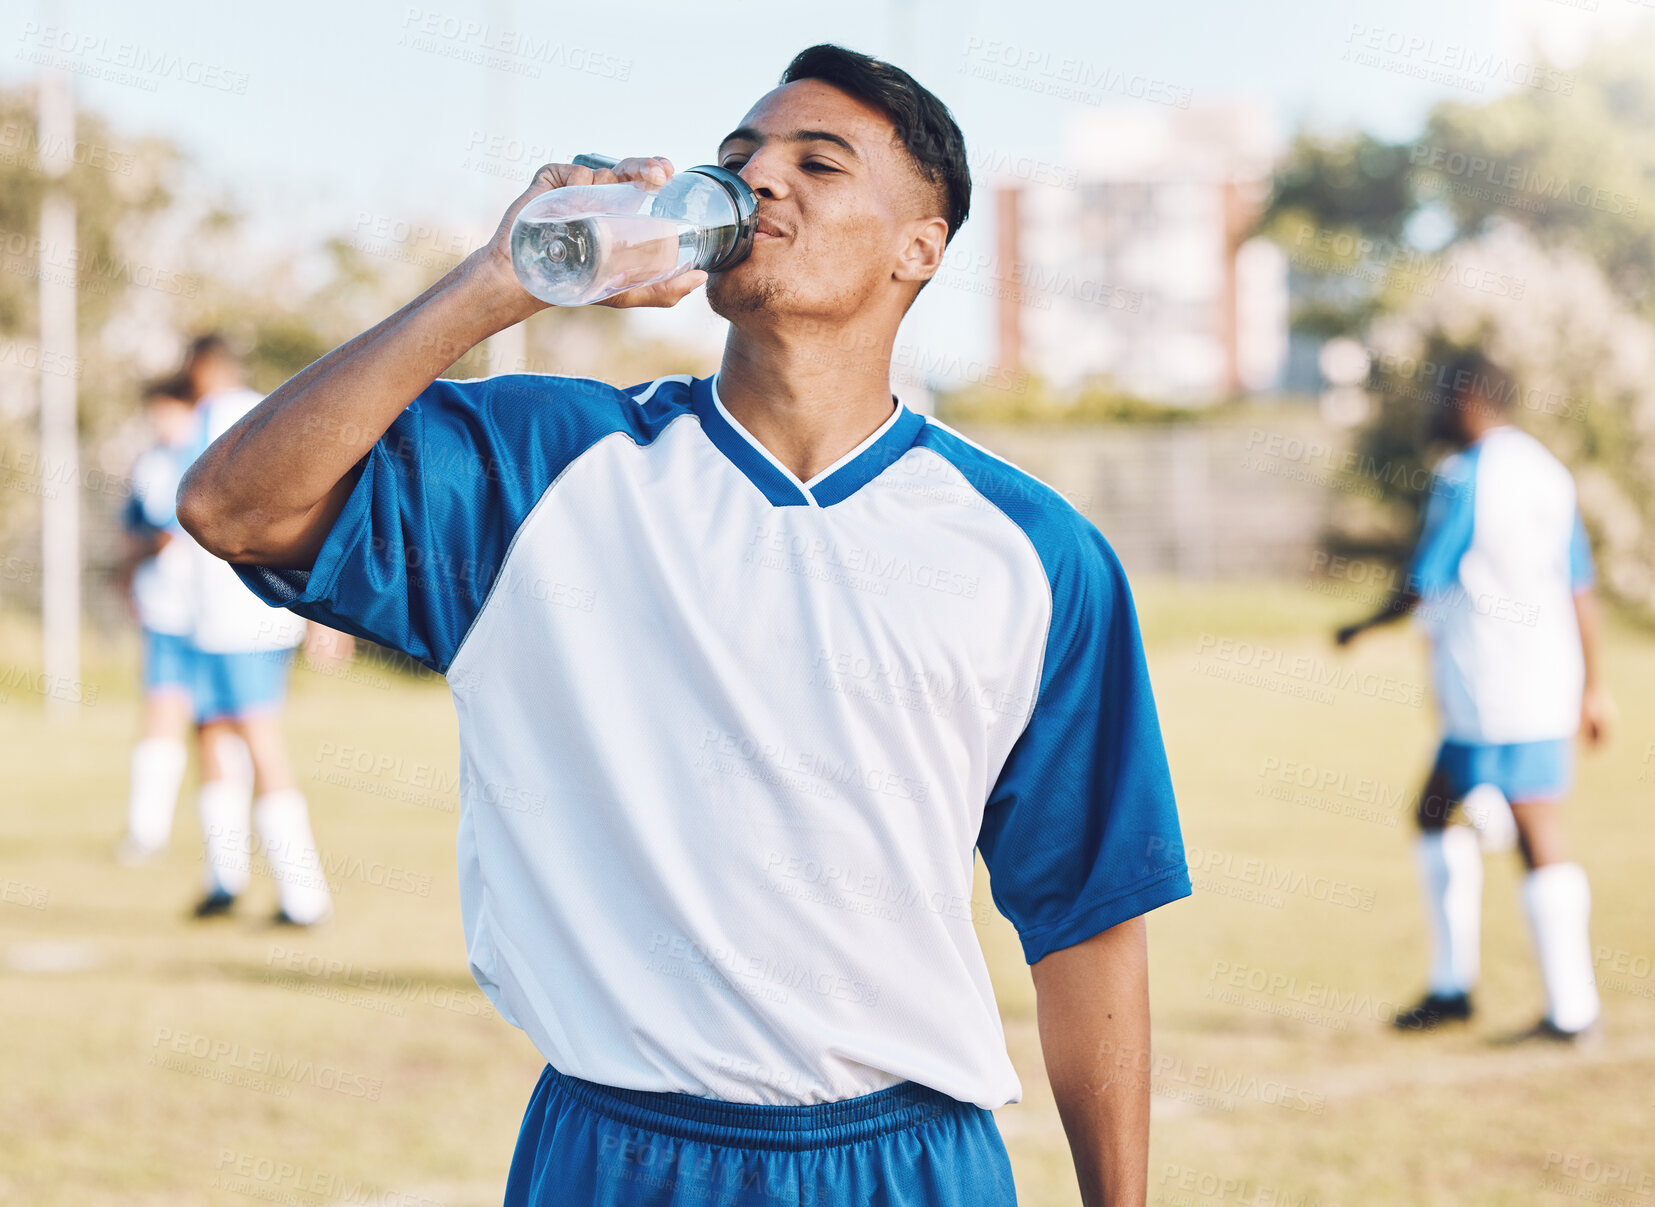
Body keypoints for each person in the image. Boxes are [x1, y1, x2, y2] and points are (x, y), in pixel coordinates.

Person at [178, 45, 1191, 1205]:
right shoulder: (539, 467)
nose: (761, 179)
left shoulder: (1034, 553)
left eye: (818, 160)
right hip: (615, 1152)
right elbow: (233, 506)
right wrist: (498, 281)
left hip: (910, 1162)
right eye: (738, 158)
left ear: (921, 245)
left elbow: (1089, 916)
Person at [1336, 351, 1610, 1042]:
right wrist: (1595, 683)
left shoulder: (1470, 476)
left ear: (1468, 398)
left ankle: (1569, 1008)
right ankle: (1452, 985)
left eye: (1440, 395)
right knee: (1433, 810)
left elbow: (1424, 577)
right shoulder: (1546, 470)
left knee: (1532, 825)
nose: (1433, 408)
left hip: (1495, 682)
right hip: (1534, 677)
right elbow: (1579, 582)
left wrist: (1360, 625)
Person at [181, 334, 333, 927]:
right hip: (231, 614)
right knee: (212, 732)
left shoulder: (221, 419)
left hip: (238, 616)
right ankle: (224, 879)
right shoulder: (267, 410)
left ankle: (304, 894)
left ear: (203, 368)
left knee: (257, 739)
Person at [115, 376, 225, 865]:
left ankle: (224, 852)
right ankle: (147, 832)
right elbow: (138, 529)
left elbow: (165, 534)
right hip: (167, 614)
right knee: (162, 719)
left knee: (217, 728)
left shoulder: (205, 459)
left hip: (214, 617)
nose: (159, 422)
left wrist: (127, 567)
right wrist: (128, 578)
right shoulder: (151, 463)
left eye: (168, 411)